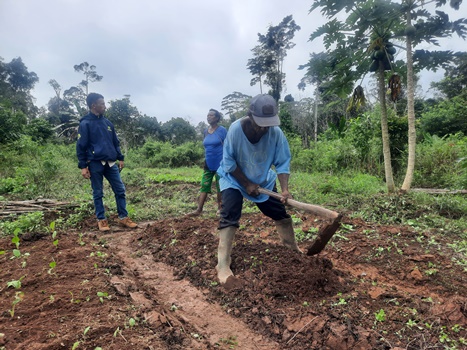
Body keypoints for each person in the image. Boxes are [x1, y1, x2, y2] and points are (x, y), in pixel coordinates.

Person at [215, 94, 301, 284]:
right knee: (230, 213)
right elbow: (228, 162)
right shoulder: (235, 130)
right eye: (259, 123)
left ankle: (293, 251)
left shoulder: (276, 133)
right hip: (235, 179)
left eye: (267, 124)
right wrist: (246, 183)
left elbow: (283, 162)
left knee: (280, 213)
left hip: (263, 180)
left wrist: (285, 190)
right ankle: (222, 264)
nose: (263, 128)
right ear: (250, 115)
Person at [76, 92, 138, 232]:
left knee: (120, 190)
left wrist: (120, 157)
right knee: (98, 192)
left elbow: (115, 142)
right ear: (94, 105)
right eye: (102, 104)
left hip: (111, 163)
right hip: (95, 163)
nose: (105, 106)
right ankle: (101, 220)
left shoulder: (108, 123)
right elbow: (81, 146)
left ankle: (123, 217)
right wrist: (83, 166)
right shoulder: (85, 123)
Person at [188, 109, 227, 216]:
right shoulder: (205, 131)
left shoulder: (222, 130)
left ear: (217, 118)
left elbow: (228, 145)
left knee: (220, 186)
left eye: (211, 115)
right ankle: (199, 210)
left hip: (220, 164)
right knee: (204, 185)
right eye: (208, 115)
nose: (208, 117)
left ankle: (220, 208)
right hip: (208, 163)